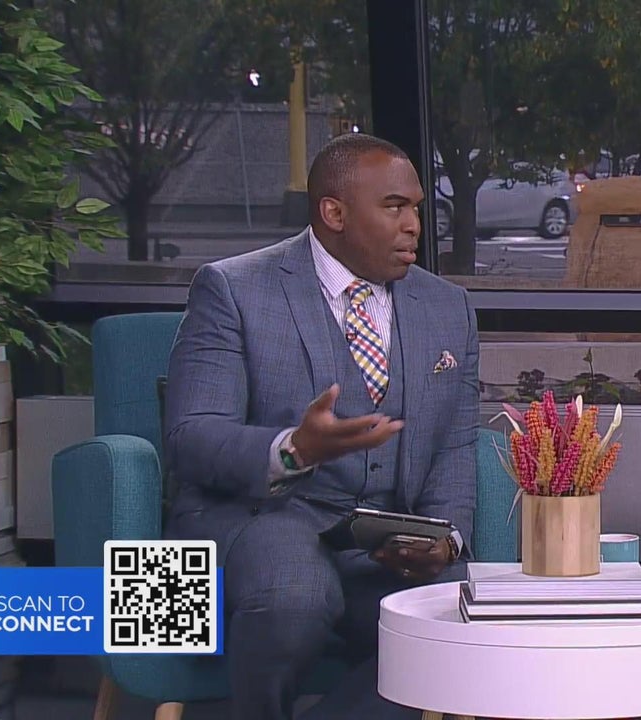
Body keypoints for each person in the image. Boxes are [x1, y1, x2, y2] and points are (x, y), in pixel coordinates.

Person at [162, 132, 480, 720]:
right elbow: (190, 438)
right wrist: (295, 448)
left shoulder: (448, 307)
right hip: (256, 518)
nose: (414, 225)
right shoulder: (232, 288)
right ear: (334, 213)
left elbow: (456, 447)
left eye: (416, 207)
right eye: (394, 207)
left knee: (461, 622)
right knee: (295, 595)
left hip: (382, 535)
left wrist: (445, 538)